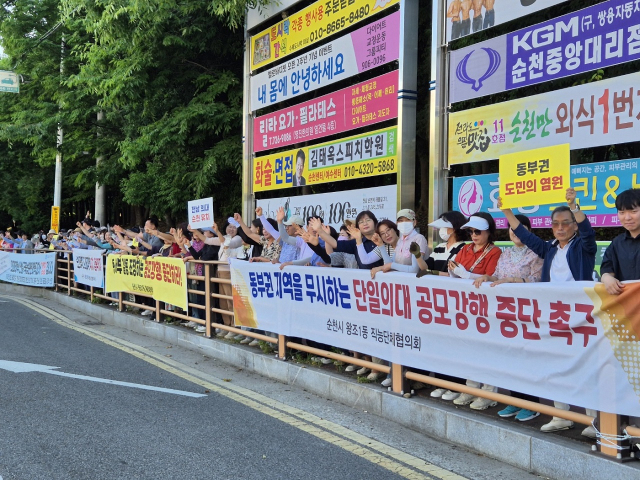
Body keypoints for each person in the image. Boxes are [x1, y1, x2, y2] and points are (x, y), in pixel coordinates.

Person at [499, 188, 598, 437]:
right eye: (556, 224)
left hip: (581, 315)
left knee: (585, 367)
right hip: (553, 315)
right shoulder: (550, 248)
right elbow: (524, 234)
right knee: (556, 367)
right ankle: (560, 416)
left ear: (574, 225)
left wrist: (574, 205)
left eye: (566, 223)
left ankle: (594, 421)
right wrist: (506, 210)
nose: (560, 228)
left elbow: (588, 233)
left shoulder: (584, 247)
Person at [472, 214, 544, 420]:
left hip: (528, 314)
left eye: (519, 228)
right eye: (511, 229)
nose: (514, 233)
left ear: (528, 230)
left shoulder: (537, 253)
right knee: (509, 357)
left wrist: (512, 280)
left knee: (526, 358)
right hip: (506, 314)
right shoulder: (506, 253)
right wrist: (487, 277)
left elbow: (537, 279)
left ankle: (531, 404)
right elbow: (497, 276)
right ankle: (514, 401)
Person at [442, 212, 502, 408]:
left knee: (486, 349)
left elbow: (491, 277)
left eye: (478, 231)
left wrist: (465, 274)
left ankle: (488, 393)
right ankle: (470, 388)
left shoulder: (495, 252)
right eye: (471, 231)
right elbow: (456, 274)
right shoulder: (465, 249)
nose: (474, 235)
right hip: (464, 305)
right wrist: (453, 270)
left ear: (488, 232)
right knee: (467, 348)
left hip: (485, 306)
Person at [600, 188, 640, 295]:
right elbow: (607, 268)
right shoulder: (617, 243)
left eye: (633, 211)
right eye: (622, 212)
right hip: (624, 305)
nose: (627, 217)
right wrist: (606, 278)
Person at [370, 209, 429, 276]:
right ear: (397, 224)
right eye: (401, 221)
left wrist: (391, 265)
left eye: (407, 220)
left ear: (414, 222)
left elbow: (414, 269)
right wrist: (380, 245)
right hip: (402, 283)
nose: (404, 223)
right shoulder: (400, 241)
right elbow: (390, 264)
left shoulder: (418, 238)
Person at [415, 211, 468, 277]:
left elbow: (459, 275)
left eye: (444, 226)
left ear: (454, 228)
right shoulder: (439, 247)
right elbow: (425, 268)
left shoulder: (465, 249)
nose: (441, 229)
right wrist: (417, 255)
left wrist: (433, 272)